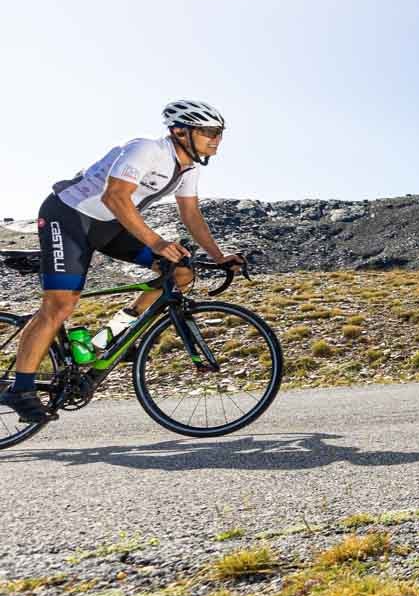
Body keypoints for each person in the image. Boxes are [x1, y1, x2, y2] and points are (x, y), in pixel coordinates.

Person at [0, 100, 244, 423]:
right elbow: (114, 196)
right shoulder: (145, 150)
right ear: (179, 131)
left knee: (181, 273)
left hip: (109, 227)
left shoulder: (189, 168)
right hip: (69, 217)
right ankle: (21, 388)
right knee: (59, 306)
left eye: (219, 133)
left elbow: (191, 215)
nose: (216, 139)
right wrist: (157, 242)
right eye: (209, 132)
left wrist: (219, 256)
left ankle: (115, 334)